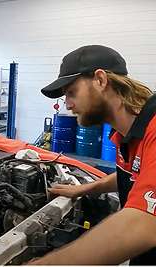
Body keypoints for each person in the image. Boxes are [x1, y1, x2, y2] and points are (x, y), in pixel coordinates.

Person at [29, 45, 156, 265]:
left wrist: (45, 264)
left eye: (71, 92)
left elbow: (142, 224)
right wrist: (87, 188)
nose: (68, 104)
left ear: (100, 80)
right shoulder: (125, 133)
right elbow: (138, 174)